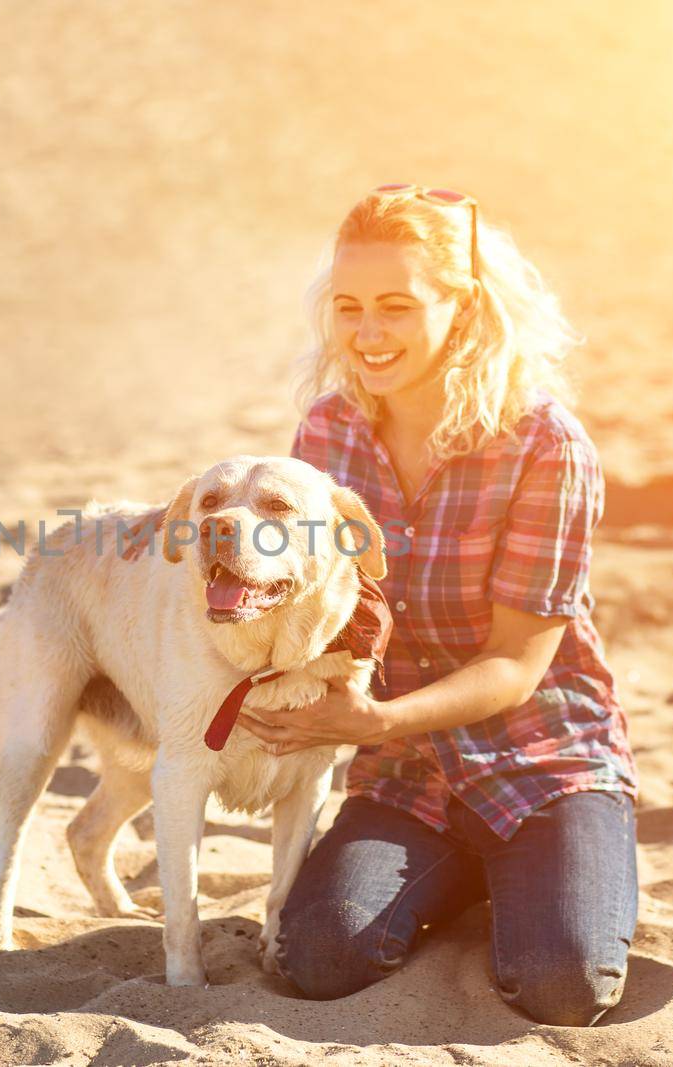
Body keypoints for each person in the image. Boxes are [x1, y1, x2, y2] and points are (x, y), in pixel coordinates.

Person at [235, 185, 638, 1026]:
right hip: (405, 776)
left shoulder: (546, 445)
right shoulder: (328, 433)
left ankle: (550, 869)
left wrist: (374, 721)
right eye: (348, 307)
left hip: (541, 763)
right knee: (319, 957)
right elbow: (311, 596)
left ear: (463, 305)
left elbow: (517, 662)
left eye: (397, 306)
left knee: (562, 983)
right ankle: (465, 876)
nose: (367, 332)